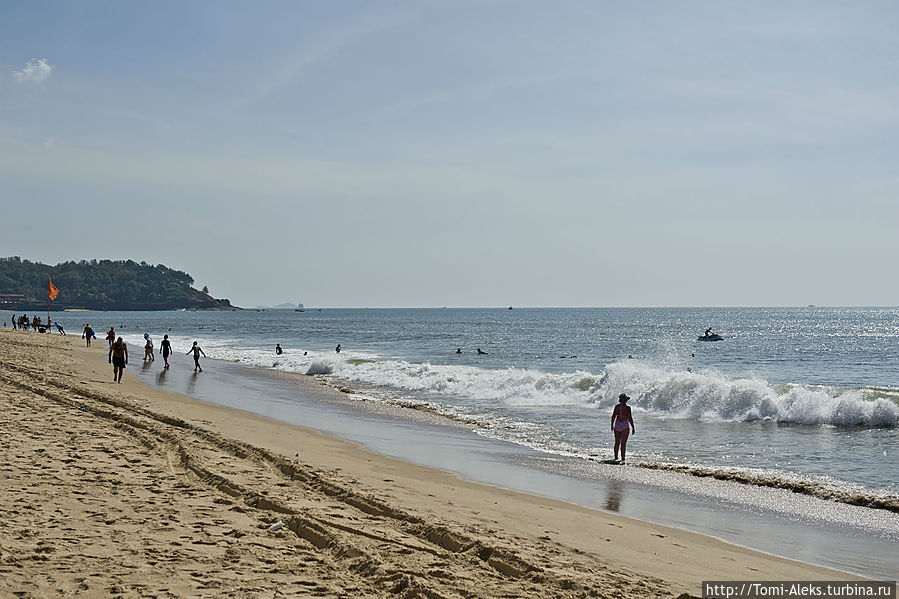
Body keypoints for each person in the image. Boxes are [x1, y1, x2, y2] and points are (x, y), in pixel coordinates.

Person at [611, 393, 635, 464]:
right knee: (623, 444)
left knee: (617, 442)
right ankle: (623, 459)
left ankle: (615, 457)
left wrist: (612, 425)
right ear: (625, 400)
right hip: (624, 425)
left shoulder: (617, 407)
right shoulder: (628, 408)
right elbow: (630, 418)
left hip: (617, 424)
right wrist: (633, 427)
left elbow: (613, 416)